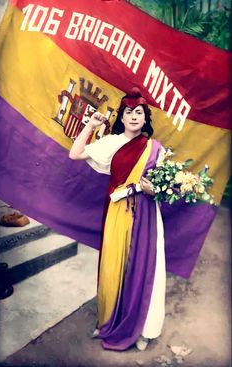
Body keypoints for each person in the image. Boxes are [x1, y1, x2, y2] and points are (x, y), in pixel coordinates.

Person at [69, 87, 166, 351]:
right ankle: (109, 321)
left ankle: (144, 329)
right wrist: (89, 124)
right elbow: (74, 154)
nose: (134, 117)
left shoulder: (155, 148)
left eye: (139, 113)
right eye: (128, 112)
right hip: (117, 211)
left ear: (145, 118)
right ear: (121, 117)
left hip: (146, 215)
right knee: (114, 267)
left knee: (145, 268)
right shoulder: (111, 143)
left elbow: (164, 187)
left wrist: (151, 189)